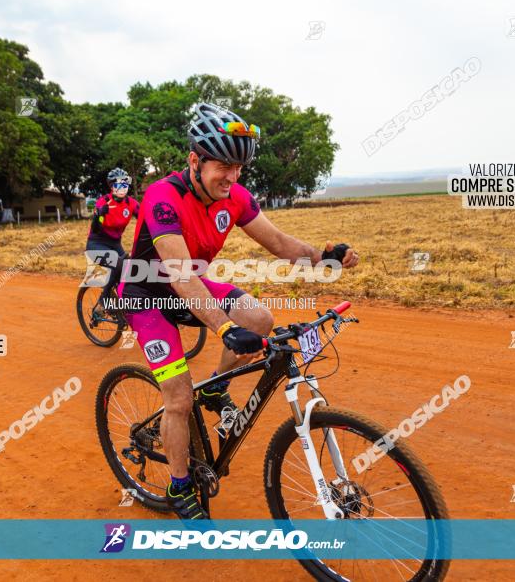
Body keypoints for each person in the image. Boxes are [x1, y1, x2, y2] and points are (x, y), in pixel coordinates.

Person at [118, 103, 358, 519]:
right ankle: (179, 488)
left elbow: (281, 243)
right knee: (177, 397)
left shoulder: (236, 198)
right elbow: (180, 276)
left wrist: (324, 255)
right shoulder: (162, 198)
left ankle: (214, 387)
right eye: (223, 166)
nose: (232, 177)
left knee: (261, 319)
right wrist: (224, 327)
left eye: (239, 168)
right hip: (147, 295)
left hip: (191, 284)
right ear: (195, 161)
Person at [85, 168, 140, 284]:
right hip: (97, 244)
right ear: (112, 187)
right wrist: (99, 215)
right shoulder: (103, 202)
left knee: (129, 269)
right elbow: (95, 228)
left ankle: (118, 295)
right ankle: (104, 296)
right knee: (117, 265)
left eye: (124, 184)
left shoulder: (131, 203)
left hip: (115, 244)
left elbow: (144, 217)